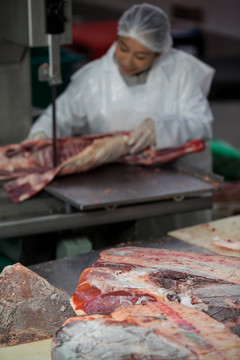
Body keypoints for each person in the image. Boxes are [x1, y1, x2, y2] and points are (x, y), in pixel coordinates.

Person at [27, 3, 215, 244]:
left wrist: (160, 127)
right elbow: (60, 115)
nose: (127, 60)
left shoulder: (182, 72)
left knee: (177, 254)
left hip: (175, 193)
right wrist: (40, 135)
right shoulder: (94, 78)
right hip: (114, 189)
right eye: (123, 48)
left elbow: (200, 123)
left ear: (159, 53)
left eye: (140, 56)